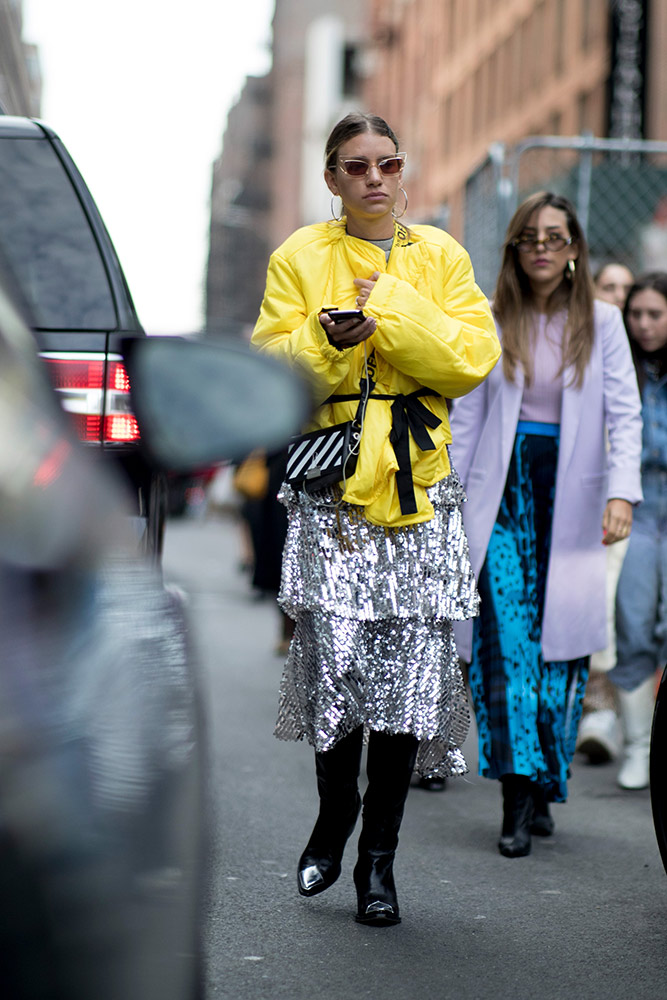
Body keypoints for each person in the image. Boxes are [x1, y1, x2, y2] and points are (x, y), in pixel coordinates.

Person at [251, 111, 500, 924]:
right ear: (331, 179)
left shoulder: (440, 256)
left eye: (386, 165)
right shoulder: (300, 255)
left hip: (417, 500)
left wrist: (389, 307)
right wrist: (329, 344)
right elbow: (269, 373)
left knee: (402, 689)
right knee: (333, 674)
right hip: (333, 504)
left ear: (404, 172)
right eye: (354, 167)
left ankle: (377, 864)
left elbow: (467, 361)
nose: (373, 180)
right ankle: (332, 818)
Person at [449, 192, 643, 858]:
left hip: (575, 497)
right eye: (529, 237)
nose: (541, 247)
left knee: (561, 653)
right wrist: (450, 499)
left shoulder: (604, 322)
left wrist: (621, 493)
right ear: (513, 248)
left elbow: (625, 414)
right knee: (506, 651)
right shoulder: (488, 316)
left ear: (572, 251)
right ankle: (512, 791)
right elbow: (466, 418)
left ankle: (539, 781)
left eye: (554, 237)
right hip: (500, 496)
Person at [575, 261, 635, 764]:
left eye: (626, 289)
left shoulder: (639, 349)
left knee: (610, 600)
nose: (618, 296)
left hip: (626, 497)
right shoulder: (585, 342)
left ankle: (601, 709)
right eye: (608, 286)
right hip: (583, 491)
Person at [609, 273, 667, 790]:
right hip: (638, 505)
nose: (644, 324)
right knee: (632, 621)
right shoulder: (621, 366)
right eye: (637, 314)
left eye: (656, 314)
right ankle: (637, 745)